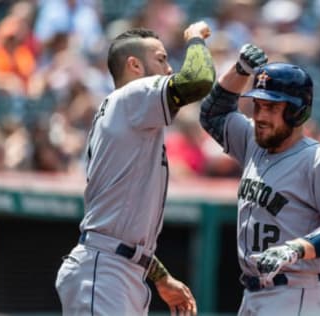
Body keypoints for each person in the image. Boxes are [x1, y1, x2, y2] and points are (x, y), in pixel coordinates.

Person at [55, 21, 216, 315]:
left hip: (118, 270)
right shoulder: (132, 96)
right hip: (104, 272)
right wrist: (194, 39)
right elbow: (198, 80)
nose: (169, 69)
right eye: (161, 59)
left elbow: (123, 231)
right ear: (135, 65)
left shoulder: (130, 114)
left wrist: (161, 276)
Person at [200, 45, 320, 316]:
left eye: (272, 107)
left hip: (296, 293)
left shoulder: (319, 161)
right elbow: (213, 115)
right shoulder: (253, 142)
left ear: (296, 112)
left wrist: (295, 248)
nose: (261, 116)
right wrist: (240, 70)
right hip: (254, 294)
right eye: (258, 105)